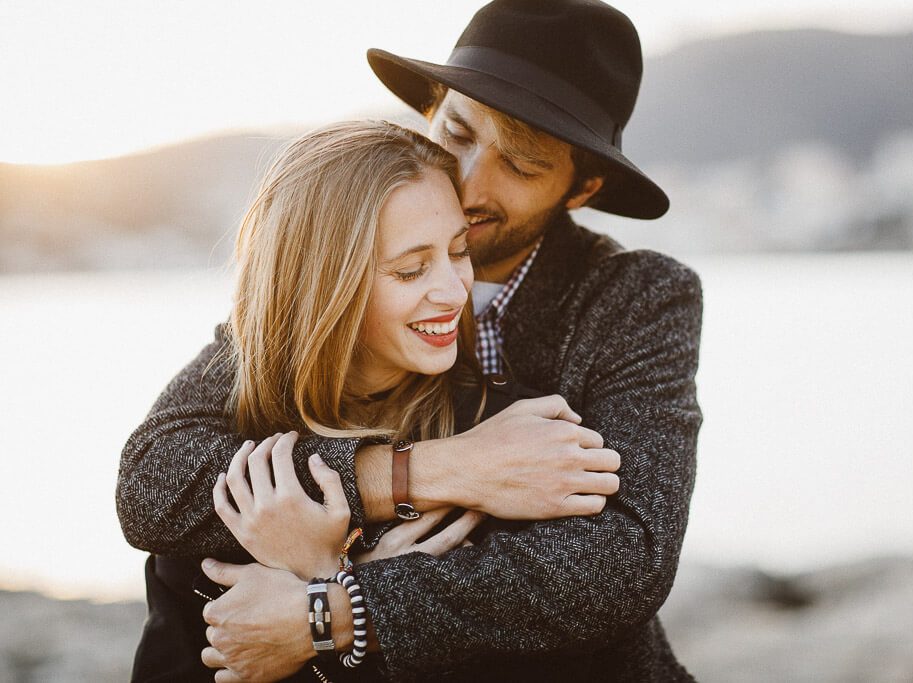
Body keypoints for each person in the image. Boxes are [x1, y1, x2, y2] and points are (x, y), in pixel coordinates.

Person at [117, 0, 703, 680]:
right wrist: (435, 470)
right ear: (431, 108)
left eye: (521, 164)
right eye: (458, 130)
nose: (470, 180)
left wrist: (334, 605)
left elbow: (620, 561)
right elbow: (155, 480)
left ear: (581, 187)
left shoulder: (635, 297)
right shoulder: (337, 255)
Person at [126, 120, 617, 682]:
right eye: (411, 269)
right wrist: (331, 575)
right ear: (323, 285)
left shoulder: (507, 440)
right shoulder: (223, 455)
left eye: (459, 252)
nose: (455, 293)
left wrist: (329, 589)